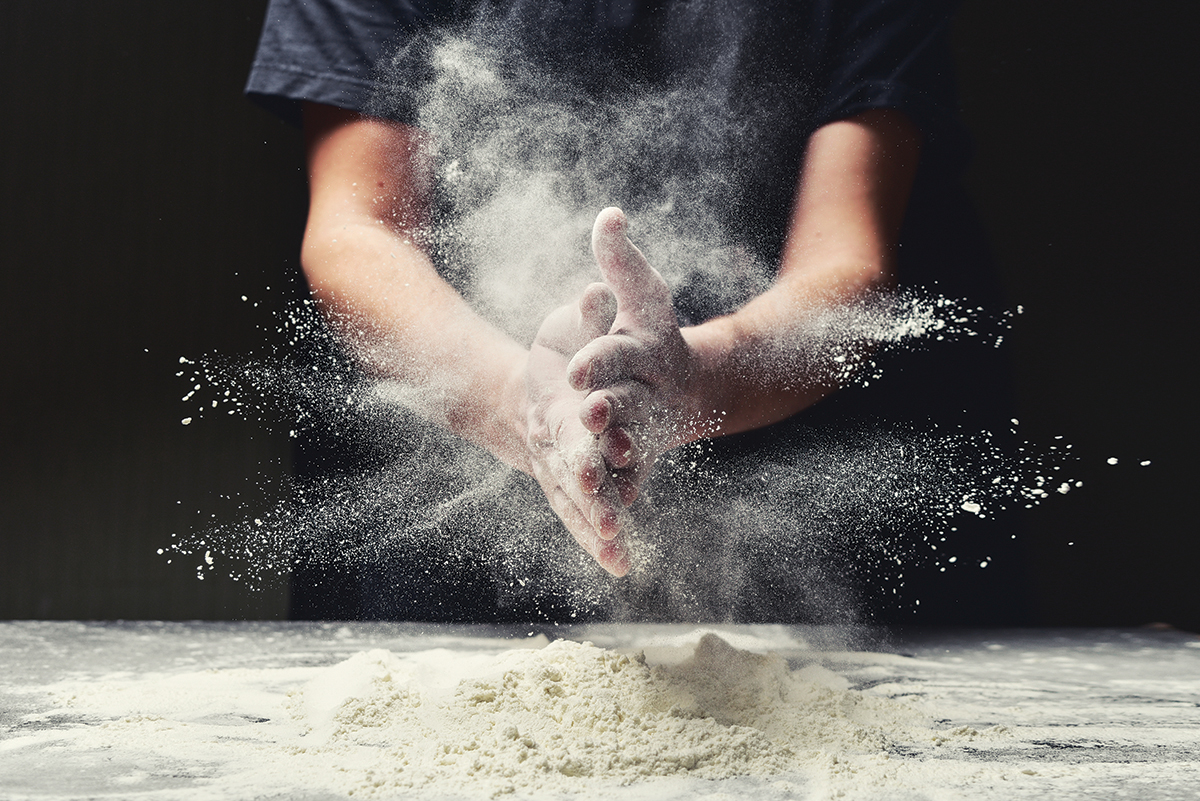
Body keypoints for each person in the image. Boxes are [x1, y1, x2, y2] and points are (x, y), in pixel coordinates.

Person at [247, 0, 1030, 624]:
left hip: (799, 461)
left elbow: (846, 262)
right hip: (454, 510)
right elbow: (359, 233)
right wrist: (521, 402)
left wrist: (692, 379)